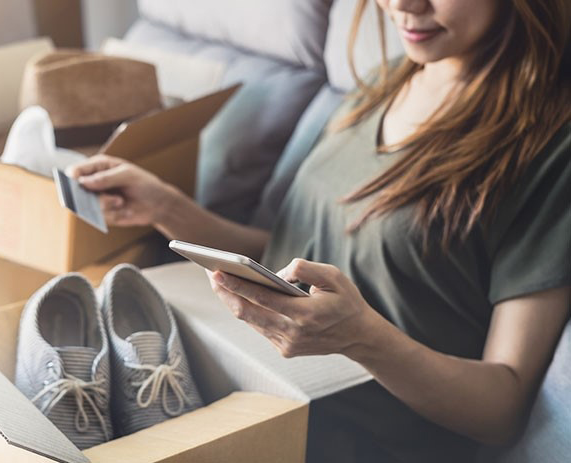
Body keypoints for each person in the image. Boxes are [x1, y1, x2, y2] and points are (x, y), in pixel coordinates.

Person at [67, 0, 571, 461]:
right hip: (244, 382)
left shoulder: (550, 146)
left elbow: (502, 408)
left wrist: (364, 340)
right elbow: (293, 259)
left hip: (351, 437)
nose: (402, 5)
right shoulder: (385, 83)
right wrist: (165, 205)